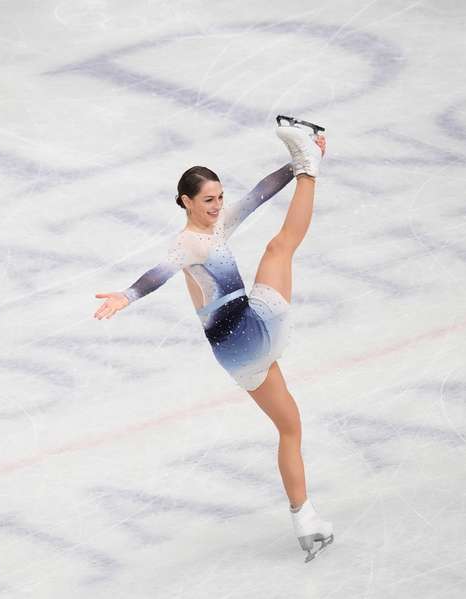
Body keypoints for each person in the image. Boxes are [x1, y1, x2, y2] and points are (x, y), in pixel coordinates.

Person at [93, 119, 334, 562]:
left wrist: (290, 167)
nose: (217, 206)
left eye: (220, 198)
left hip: (233, 355)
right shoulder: (189, 242)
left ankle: (305, 517)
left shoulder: (216, 226)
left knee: (290, 426)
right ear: (185, 201)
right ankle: (311, 168)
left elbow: (259, 195)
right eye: (208, 200)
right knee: (279, 249)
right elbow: (158, 274)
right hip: (249, 329)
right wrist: (126, 296)